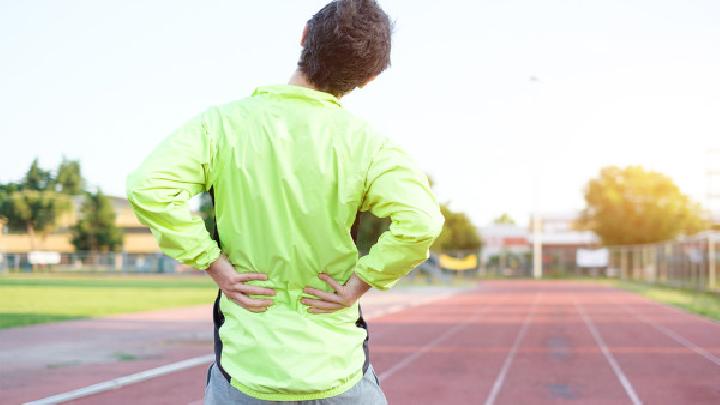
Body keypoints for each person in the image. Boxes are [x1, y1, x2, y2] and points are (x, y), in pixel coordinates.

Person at [126, 0, 443, 403]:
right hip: (337, 369)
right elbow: (422, 222)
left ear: (305, 36)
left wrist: (211, 261)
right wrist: (362, 283)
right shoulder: (369, 144)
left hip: (247, 369)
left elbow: (148, 186)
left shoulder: (223, 125)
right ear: (368, 78)